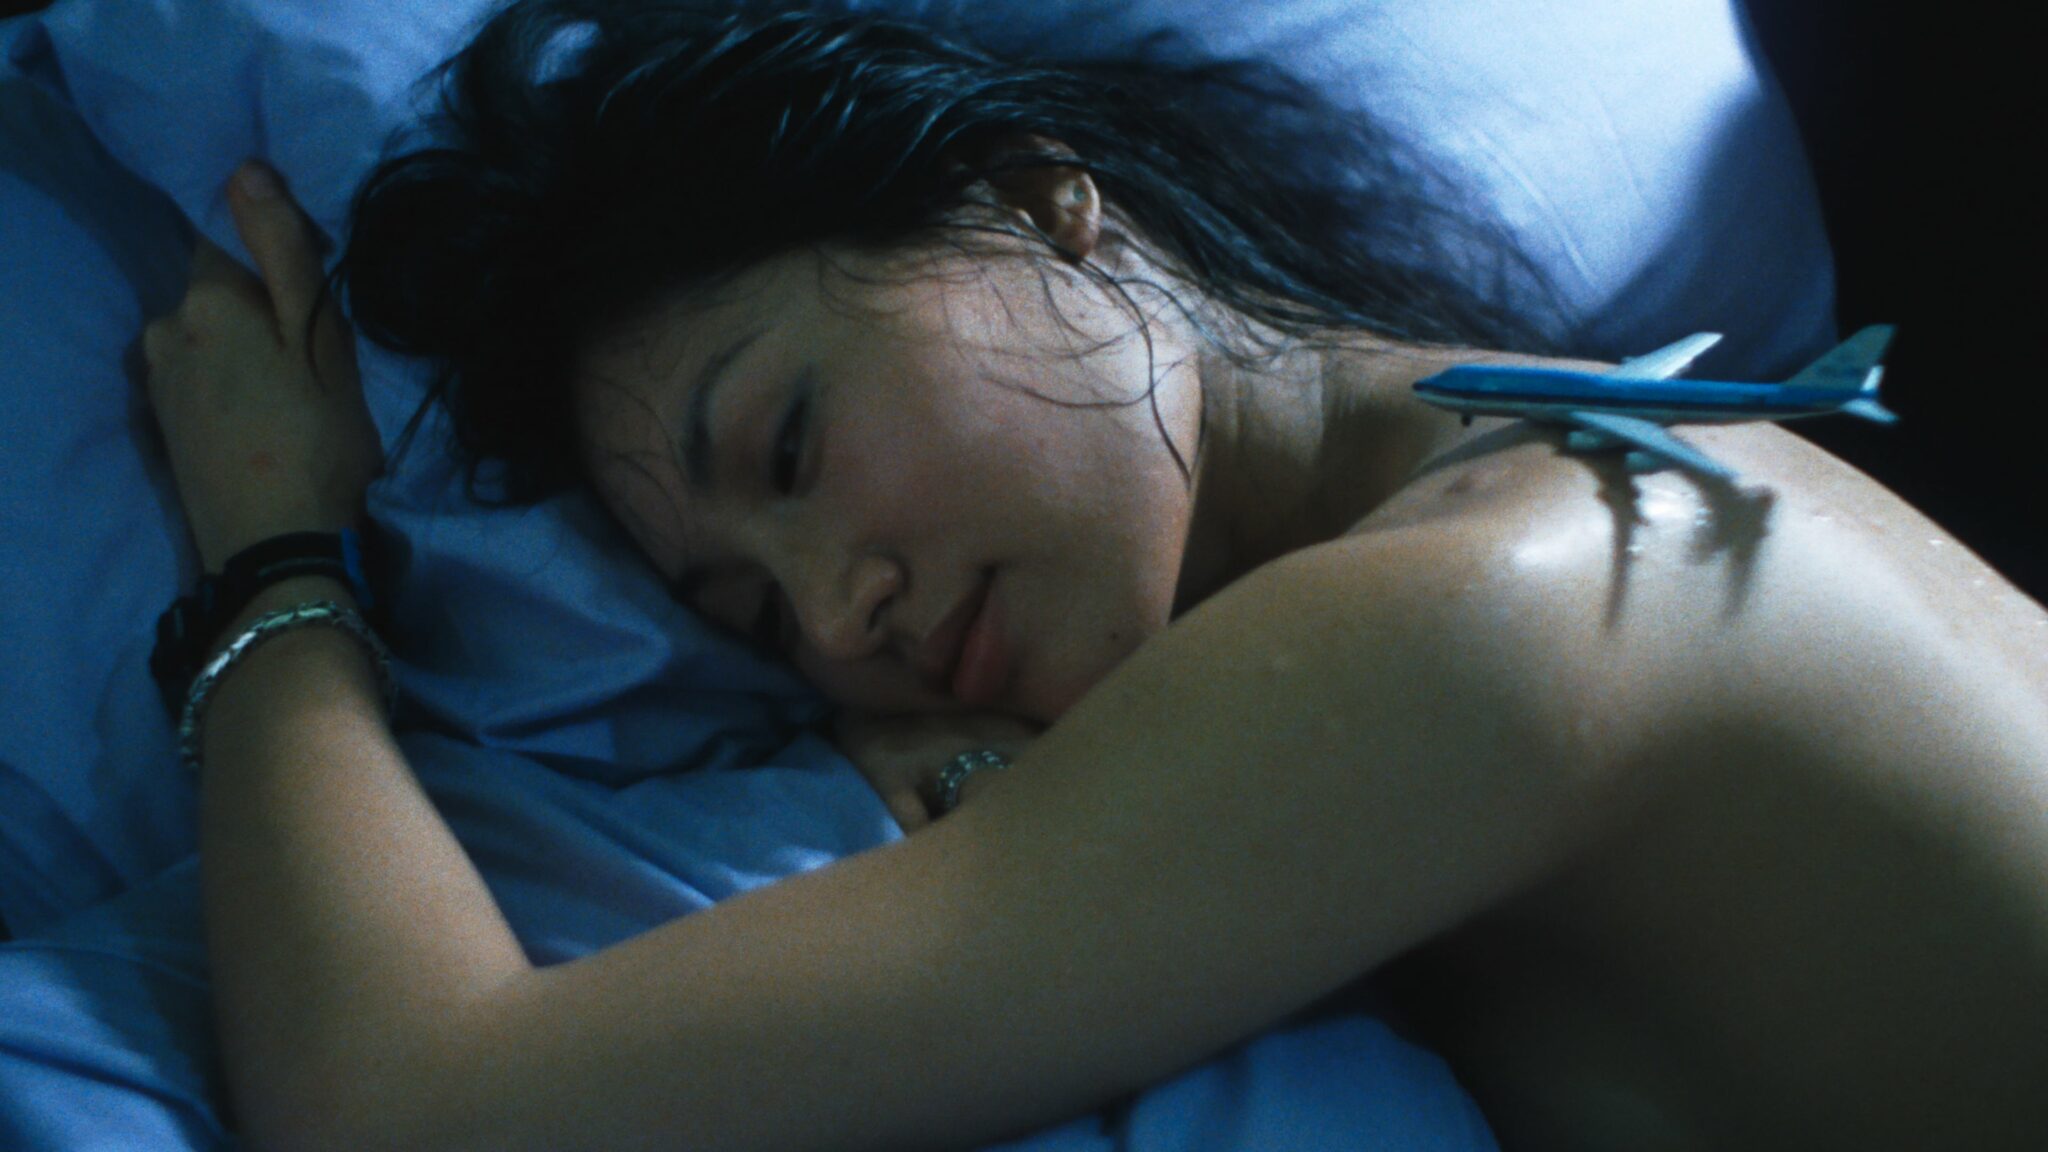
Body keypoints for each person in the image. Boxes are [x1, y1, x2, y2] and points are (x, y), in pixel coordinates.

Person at [140, 2, 2048, 1150]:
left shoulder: (1500, 599)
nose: (837, 619)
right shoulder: (1529, 479)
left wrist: (273, 561)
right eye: (749, 615)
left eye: (790, 448)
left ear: (1042, 200)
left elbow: (431, 1111)